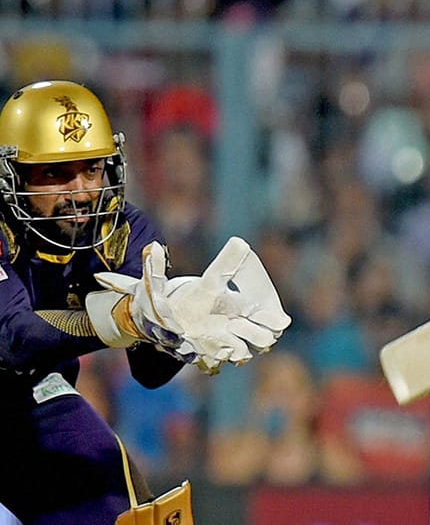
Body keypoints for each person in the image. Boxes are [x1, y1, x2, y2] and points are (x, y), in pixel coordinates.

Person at [0, 80, 291, 524]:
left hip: (32, 399)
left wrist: (173, 326)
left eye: (91, 170)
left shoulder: (126, 233)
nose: (80, 194)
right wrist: (119, 317)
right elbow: (13, 339)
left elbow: (149, 371)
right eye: (56, 173)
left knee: (122, 506)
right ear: (12, 177)